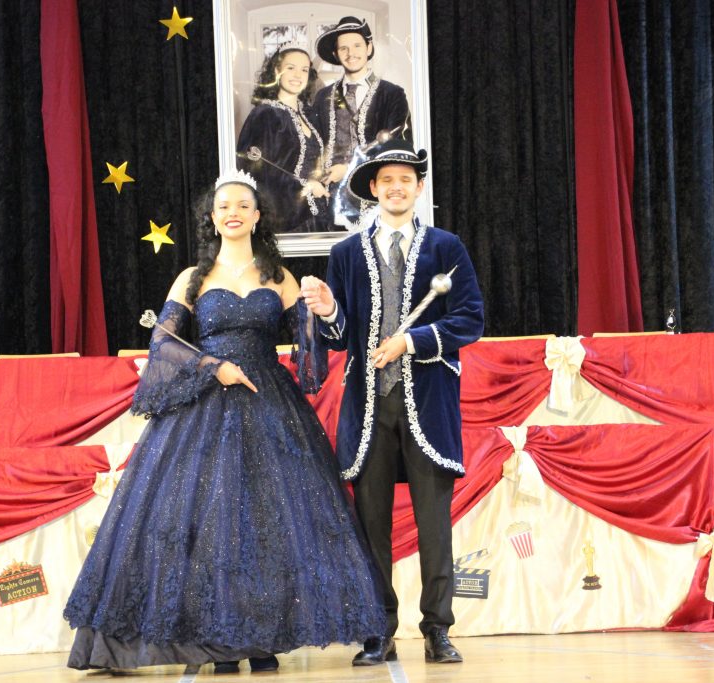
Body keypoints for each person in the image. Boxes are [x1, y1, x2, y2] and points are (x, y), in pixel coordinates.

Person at [64, 170, 386, 674]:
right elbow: (163, 342)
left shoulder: (280, 277)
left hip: (269, 405)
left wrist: (321, 313)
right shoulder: (192, 278)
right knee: (204, 523)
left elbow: (311, 358)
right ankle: (213, 642)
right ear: (212, 219)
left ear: (257, 217)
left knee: (267, 524)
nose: (232, 212)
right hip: (205, 407)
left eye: (242, 205)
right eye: (223, 206)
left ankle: (259, 640)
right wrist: (213, 366)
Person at [301, 139, 484, 666]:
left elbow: (469, 318)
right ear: (374, 190)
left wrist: (411, 341)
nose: (397, 188)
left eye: (406, 179)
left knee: (434, 526)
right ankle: (378, 629)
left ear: (419, 188)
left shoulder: (446, 247)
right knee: (371, 526)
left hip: (428, 402)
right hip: (368, 408)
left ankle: (437, 629)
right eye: (387, 180)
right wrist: (330, 309)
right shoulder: (345, 254)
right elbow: (340, 335)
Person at [310, 16, 412, 226]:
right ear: (336, 54)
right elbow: (313, 146)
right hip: (329, 200)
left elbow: (396, 147)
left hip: (375, 197)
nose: (351, 53)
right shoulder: (322, 97)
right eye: (343, 48)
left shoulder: (392, 94)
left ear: (369, 48)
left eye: (357, 45)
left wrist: (348, 169)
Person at [237, 44, 330, 232]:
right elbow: (256, 172)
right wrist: (305, 187)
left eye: (304, 70)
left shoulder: (309, 114)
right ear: (276, 71)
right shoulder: (265, 115)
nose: (298, 75)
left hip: (318, 215)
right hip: (288, 218)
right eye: (290, 68)